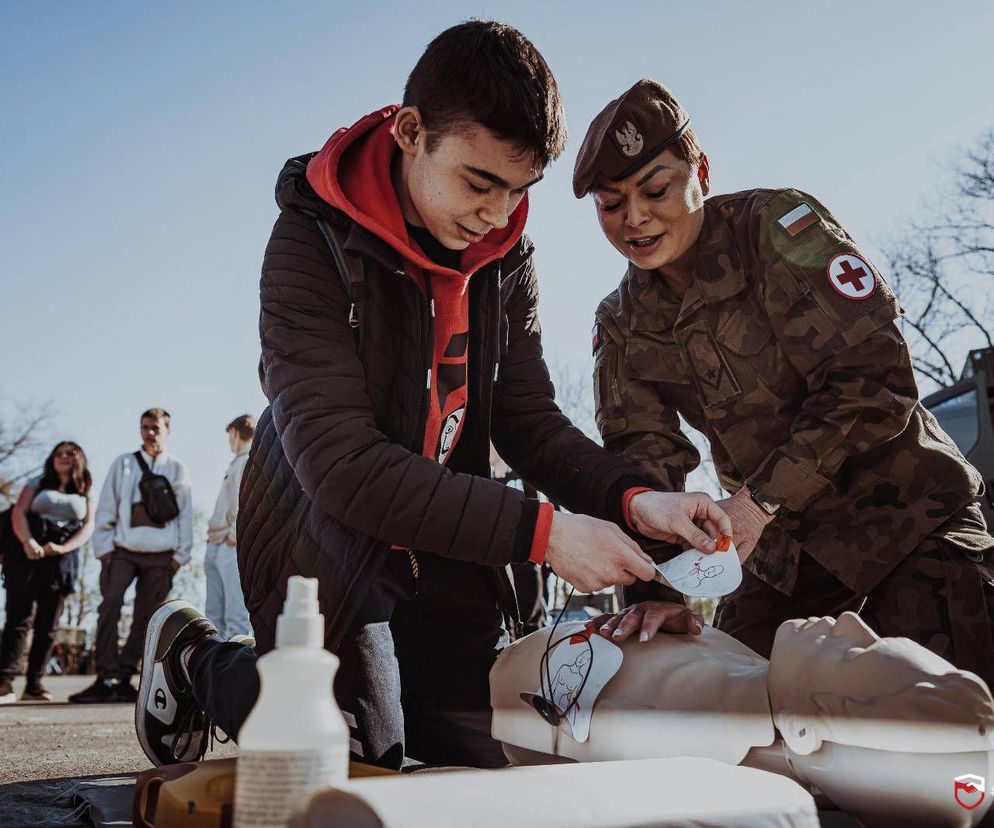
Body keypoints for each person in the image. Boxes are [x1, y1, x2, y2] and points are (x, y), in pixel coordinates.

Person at [134, 22, 730, 771]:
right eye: (479, 183)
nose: (496, 215)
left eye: (518, 192)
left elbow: (528, 419)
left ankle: (385, 688)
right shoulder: (308, 244)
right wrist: (547, 536)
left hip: (449, 540)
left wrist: (635, 501)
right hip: (320, 536)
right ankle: (198, 660)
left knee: (493, 757)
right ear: (413, 132)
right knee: (361, 764)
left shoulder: (506, 253)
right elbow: (343, 465)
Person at [576, 79, 994, 685]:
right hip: (783, 562)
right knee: (734, 709)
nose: (635, 219)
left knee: (937, 731)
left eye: (656, 189)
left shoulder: (776, 229)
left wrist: (758, 501)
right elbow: (642, 467)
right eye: (611, 205)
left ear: (703, 170)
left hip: (905, 522)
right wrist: (659, 586)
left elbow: (876, 379)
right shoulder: (621, 323)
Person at [70, 408, 192, 703]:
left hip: (162, 555)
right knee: (109, 607)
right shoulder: (124, 464)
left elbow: (185, 514)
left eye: (156, 428)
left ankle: (125, 677)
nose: (150, 432)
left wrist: (180, 555)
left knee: (146, 618)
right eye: (145, 427)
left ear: (167, 430)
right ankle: (105, 676)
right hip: (123, 552)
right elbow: (107, 506)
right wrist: (104, 548)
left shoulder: (176, 468)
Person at [0, 442, 94, 703]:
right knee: (18, 621)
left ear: (80, 459)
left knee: (48, 626)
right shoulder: (37, 482)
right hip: (28, 556)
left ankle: (34, 685)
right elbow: (18, 511)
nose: (63, 457)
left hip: (60, 561)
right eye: (58, 453)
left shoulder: (86, 490)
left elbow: (88, 527)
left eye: (70, 453)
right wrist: (28, 542)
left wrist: (63, 547)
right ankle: (4, 683)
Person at [490, 443, 554, 638]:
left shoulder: (524, 471)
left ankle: (533, 632)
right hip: (495, 559)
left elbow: (545, 514)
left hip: (526, 561)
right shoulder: (480, 475)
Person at [204, 414, 254, 639]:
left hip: (229, 546)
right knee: (214, 616)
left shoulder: (246, 461)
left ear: (234, 432)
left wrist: (233, 536)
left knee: (235, 613)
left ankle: (236, 666)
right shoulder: (237, 462)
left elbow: (246, 501)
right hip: (217, 543)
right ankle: (215, 667)